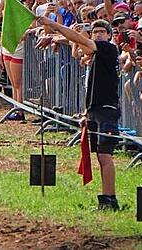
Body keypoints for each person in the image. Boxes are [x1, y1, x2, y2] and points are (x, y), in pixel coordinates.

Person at [37, 16, 120, 211]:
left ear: (109, 35)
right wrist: (86, 112)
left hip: (107, 111)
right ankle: (106, 199)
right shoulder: (96, 57)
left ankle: (110, 200)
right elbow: (92, 86)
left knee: (105, 156)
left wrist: (53, 25)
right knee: (100, 156)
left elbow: (78, 39)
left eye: (102, 32)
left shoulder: (109, 49)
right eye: (95, 32)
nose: (98, 35)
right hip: (95, 110)